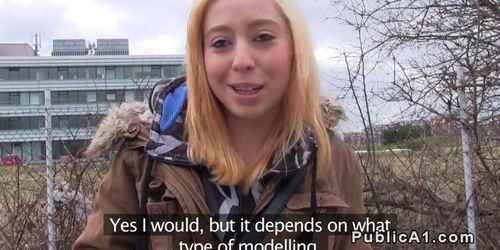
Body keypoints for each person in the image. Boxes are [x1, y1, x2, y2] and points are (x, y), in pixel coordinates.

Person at [73, 0, 371, 249]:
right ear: (201, 59)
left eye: (263, 37)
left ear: (295, 49)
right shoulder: (144, 158)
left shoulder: (333, 160)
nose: (241, 60)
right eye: (221, 43)